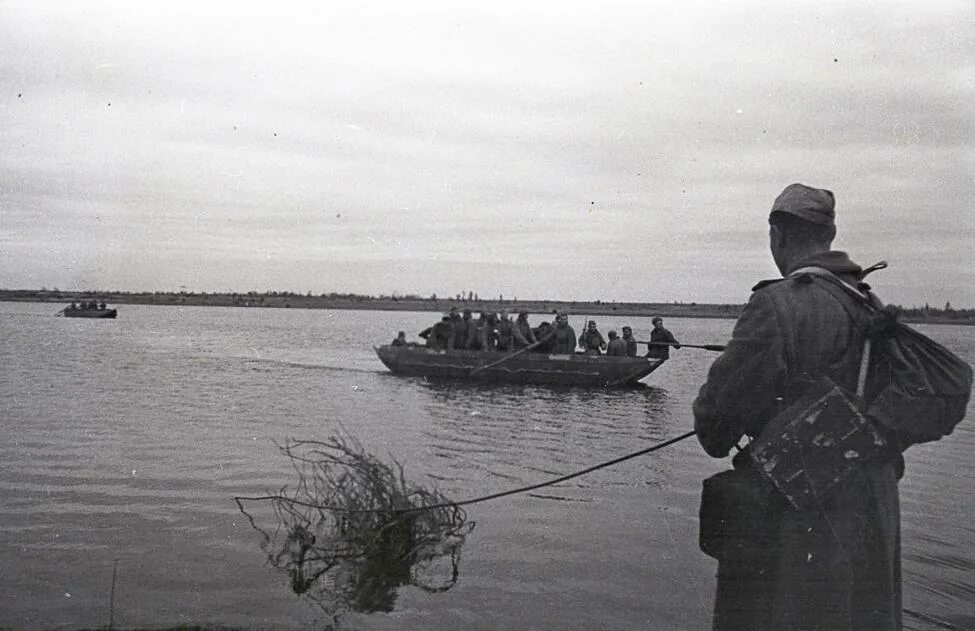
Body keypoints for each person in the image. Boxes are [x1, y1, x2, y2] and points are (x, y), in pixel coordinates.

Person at [693, 183, 905, 630]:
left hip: (793, 516)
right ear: (829, 234)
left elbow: (714, 428)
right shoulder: (872, 306)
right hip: (873, 510)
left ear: (779, 235)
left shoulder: (777, 304)